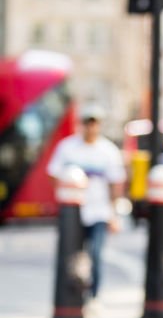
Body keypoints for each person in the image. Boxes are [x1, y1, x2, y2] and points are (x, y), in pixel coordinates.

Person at [47, 103, 126, 300]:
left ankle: (94, 297)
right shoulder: (67, 147)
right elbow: (53, 173)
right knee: (73, 255)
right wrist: (62, 199)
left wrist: (114, 214)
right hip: (74, 212)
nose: (90, 127)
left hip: (99, 212)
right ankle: (74, 296)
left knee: (96, 255)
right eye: (87, 123)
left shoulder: (108, 151)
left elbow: (115, 184)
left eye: (94, 123)